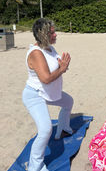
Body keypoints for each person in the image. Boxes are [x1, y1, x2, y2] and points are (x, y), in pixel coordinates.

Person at [22, 18, 74, 171]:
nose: (55, 34)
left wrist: (62, 65)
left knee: (68, 102)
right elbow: (45, 79)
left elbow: (57, 65)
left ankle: (63, 129)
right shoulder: (36, 53)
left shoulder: (50, 48)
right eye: (52, 33)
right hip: (35, 94)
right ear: (44, 35)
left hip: (48, 92)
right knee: (45, 130)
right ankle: (34, 167)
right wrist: (62, 69)